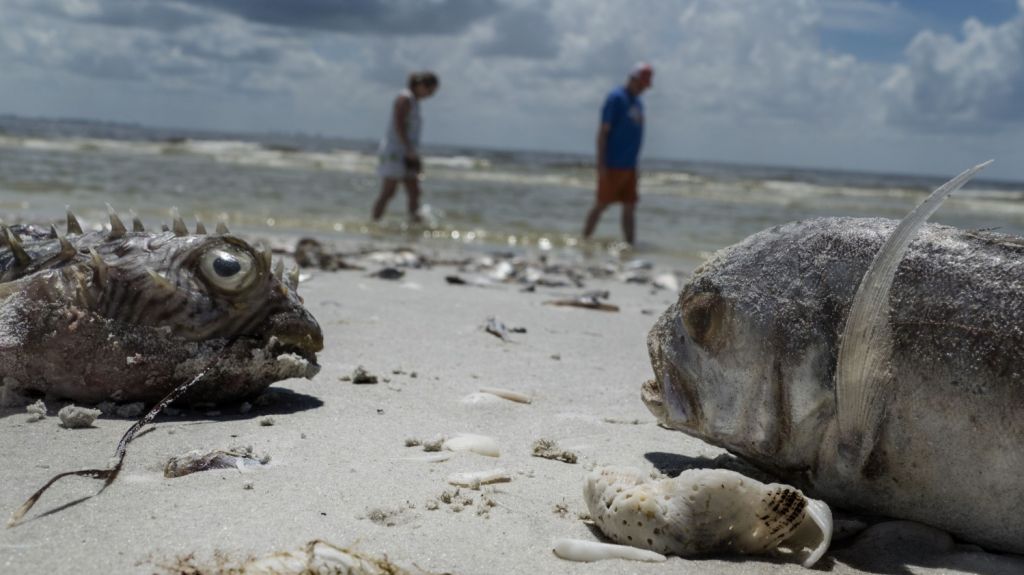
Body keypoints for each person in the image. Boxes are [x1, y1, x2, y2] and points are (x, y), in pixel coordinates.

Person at [582, 62, 654, 246]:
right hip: (613, 164)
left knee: (630, 207)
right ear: (633, 79)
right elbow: (603, 132)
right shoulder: (616, 98)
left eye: (645, 87)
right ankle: (584, 240)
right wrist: (601, 164)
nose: (642, 90)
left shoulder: (638, 103)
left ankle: (630, 245)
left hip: (630, 166)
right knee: (601, 204)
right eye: (641, 85)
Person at [372, 71, 440, 222]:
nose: (430, 95)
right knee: (389, 192)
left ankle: (414, 224)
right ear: (421, 85)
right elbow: (399, 124)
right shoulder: (405, 98)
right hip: (396, 151)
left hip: (408, 151)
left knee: (414, 191)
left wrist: (413, 152)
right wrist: (408, 148)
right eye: (430, 90)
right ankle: (375, 221)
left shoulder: (414, 101)